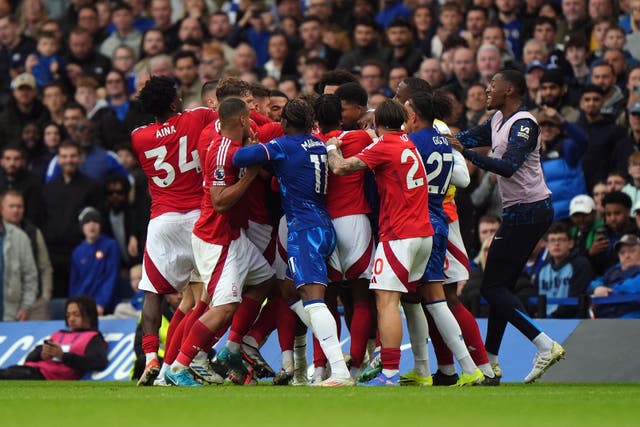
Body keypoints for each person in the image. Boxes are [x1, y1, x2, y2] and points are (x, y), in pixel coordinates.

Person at [448, 70, 565, 384]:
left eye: (493, 85)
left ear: (510, 89)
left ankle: (544, 344)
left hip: (529, 211)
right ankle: (494, 363)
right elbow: (468, 137)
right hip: (520, 211)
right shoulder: (498, 119)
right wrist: (445, 138)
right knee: (500, 288)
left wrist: (466, 153)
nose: (487, 89)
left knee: (491, 288)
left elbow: (509, 167)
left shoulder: (524, 124)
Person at [233, 99, 352, 387]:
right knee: (288, 291)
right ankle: (320, 363)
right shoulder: (318, 144)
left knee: (314, 299)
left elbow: (240, 158)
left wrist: (253, 140)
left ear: (285, 124)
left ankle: (339, 371)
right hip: (323, 223)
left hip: (304, 229)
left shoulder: (283, 146)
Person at [165, 98, 275, 387]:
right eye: (249, 115)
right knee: (222, 306)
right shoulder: (224, 150)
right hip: (216, 239)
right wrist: (249, 177)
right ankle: (180, 365)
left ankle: (232, 347)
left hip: (234, 237)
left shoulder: (233, 146)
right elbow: (219, 201)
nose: (252, 120)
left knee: (265, 280)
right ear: (241, 120)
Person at [323, 99, 434, 386]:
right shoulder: (409, 144)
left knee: (385, 301)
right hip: (423, 232)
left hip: (399, 234)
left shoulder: (384, 145)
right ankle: (422, 369)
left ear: (376, 124)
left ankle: (390, 373)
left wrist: (332, 146)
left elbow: (341, 168)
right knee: (412, 300)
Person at [131, 76, 215, 386]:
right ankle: (194, 356)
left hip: (162, 222)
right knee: (206, 294)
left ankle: (151, 356)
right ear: (173, 102)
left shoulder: (138, 136)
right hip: (197, 218)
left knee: (152, 291)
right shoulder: (198, 117)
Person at [400, 90, 485, 386]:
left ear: (414, 113)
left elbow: (463, 180)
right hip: (435, 219)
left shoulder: (409, 142)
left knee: (433, 299)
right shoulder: (444, 141)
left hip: (416, 223)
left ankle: (473, 367)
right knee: (423, 298)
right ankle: (441, 370)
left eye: (405, 104)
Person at [0, 295, 108, 380]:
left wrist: (63, 356)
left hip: (46, 376)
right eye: (68, 315)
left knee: (7, 375)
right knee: (9, 372)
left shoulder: (93, 338)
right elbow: (29, 359)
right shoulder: (59, 334)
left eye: (76, 315)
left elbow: (99, 361)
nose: (71, 319)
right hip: (33, 369)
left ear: (89, 315)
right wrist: (42, 354)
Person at [1, 189, 53, 321]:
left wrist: (45, 297)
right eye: (12, 206)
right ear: (2, 209)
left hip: (30, 303)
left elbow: (44, 266)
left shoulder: (32, 233)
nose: (16, 210)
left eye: (19, 206)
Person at [69, 207, 121, 316]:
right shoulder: (77, 252)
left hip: (107, 307)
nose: (91, 225)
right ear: (82, 227)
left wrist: (101, 304)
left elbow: (111, 277)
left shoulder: (110, 246)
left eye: (95, 221)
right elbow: (74, 284)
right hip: (84, 308)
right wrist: (76, 307)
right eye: (87, 222)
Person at [537, 222, 593, 318]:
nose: (557, 244)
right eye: (552, 240)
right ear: (546, 245)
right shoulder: (542, 268)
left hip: (572, 321)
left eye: (561, 240)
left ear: (570, 243)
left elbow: (576, 297)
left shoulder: (581, 264)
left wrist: (552, 316)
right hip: (544, 320)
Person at [589, 234, 640, 318]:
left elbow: (628, 289)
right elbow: (594, 283)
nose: (627, 256)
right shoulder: (615, 269)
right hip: (606, 319)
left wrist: (604, 293)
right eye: (622, 252)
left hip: (632, 320)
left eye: (632, 251)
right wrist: (597, 288)